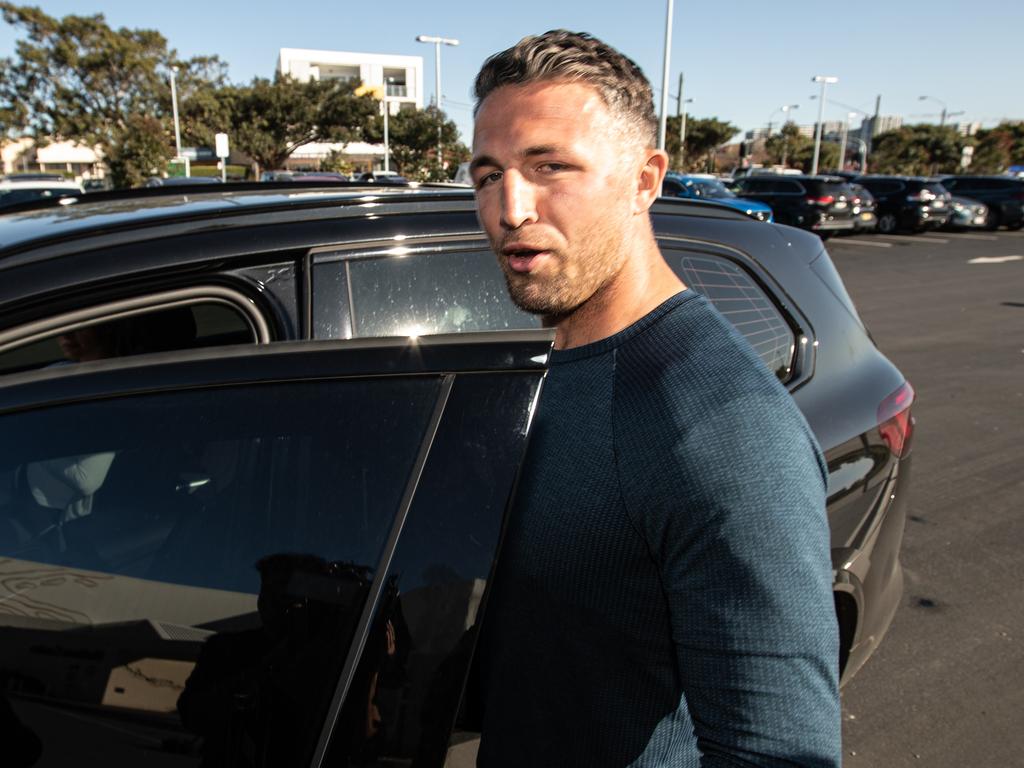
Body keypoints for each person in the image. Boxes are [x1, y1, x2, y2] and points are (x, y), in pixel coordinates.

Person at [469, 30, 841, 767]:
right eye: (487, 175)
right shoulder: (549, 363)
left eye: (550, 167)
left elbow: (778, 754)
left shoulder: (722, 427)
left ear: (645, 180)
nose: (510, 208)